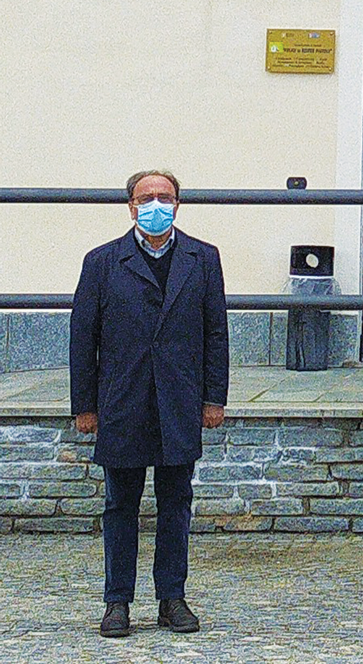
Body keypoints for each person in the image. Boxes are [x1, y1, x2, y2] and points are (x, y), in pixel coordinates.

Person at [70, 170, 229, 638]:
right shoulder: (101, 262)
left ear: (178, 204)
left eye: (165, 196)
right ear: (130, 206)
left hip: (179, 400)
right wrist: (85, 405)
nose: (156, 204)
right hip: (122, 400)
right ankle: (117, 601)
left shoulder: (203, 259)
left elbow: (215, 332)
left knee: (176, 502)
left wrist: (214, 397)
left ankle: (171, 598)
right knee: (121, 504)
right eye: (146, 197)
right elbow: (84, 338)